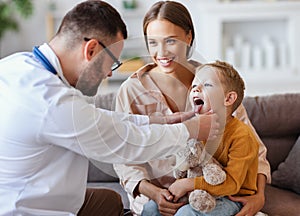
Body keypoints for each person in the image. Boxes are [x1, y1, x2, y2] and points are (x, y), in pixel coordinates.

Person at [0, 1, 219, 216]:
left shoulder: (17, 65)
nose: (110, 74)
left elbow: (97, 120)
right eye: (111, 62)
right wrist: (191, 129)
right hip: (24, 207)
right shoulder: (51, 102)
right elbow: (124, 142)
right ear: (91, 49)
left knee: (109, 201)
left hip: (27, 190)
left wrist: (158, 120)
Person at [113, 1, 271, 216]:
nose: (161, 52)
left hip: (212, 196)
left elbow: (255, 151)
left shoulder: (215, 82)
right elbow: (124, 157)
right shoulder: (131, 91)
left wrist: (259, 197)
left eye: (170, 41)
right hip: (158, 199)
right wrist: (155, 194)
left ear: (188, 37)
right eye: (152, 43)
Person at [165, 60, 259, 215]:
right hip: (200, 193)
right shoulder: (196, 129)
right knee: (151, 208)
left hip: (232, 198)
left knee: (186, 214)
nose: (196, 89)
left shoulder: (242, 136)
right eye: (194, 86)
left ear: (228, 99)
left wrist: (188, 184)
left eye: (207, 85)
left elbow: (232, 185)